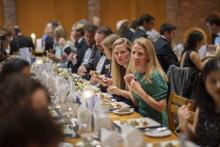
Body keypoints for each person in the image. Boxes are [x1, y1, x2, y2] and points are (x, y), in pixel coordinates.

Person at [124, 37, 168, 126]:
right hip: (143, 120)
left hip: (157, 125)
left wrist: (139, 90)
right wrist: (130, 86)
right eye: (133, 53)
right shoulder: (137, 73)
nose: (135, 57)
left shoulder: (154, 75)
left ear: (148, 56)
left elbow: (161, 107)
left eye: (140, 54)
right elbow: (136, 103)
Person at [178, 57, 220, 147]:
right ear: (205, 82)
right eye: (213, 81)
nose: (218, 86)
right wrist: (185, 125)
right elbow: (195, 137)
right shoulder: (203, 105)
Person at [107, 38, 132, 104]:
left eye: (122, 52)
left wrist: (120, 91)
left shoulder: (137, 70)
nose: (119, 56)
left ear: (131, 52)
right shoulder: (120, 68)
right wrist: (112, 84)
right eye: (116, 53)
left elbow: (137, 98)